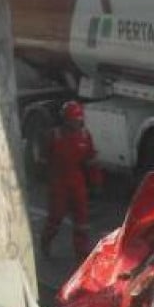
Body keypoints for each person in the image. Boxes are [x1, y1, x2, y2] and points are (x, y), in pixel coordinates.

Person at [39, 101, 101, 259]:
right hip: (58, 183)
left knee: (82, 219)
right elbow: (43, 159)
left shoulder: (85, 136)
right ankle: (46, 241)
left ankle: (81, 253)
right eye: (74, 120)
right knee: (55, 217)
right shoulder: (54, 136)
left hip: (76, 182)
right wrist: (47, 180)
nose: (77, 123)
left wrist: (96, 183)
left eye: (78, 120)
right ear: (66, 120)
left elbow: (91, 160)